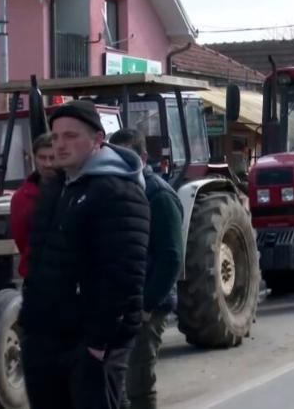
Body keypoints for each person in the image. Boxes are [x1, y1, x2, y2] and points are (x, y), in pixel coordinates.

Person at [19, 101, 150, 409]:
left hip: (90, 345)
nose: (60, 145)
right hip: (46, 339)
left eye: (71, 136)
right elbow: (40, 263)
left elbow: (123, 277)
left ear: (98, 139)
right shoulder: (55, 188)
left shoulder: (118, 192)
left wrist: (97, 344)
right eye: (56, 137)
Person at [109, 129, 183, 409]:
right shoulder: (115, 191)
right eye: (113, 157)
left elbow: (171, 257)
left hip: (147, 304)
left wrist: (147, 305)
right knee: (116, 382)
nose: (118, 163)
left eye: (125, 157)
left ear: (142, 157)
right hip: (119, 301)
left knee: (138, 380)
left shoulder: (159, 195)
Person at [10, 133, 56, 278]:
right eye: (42, 158)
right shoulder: (21, 197)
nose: (47, 164)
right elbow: (21, 238)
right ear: (34, 158)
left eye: (52, 158)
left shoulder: (73, 189)